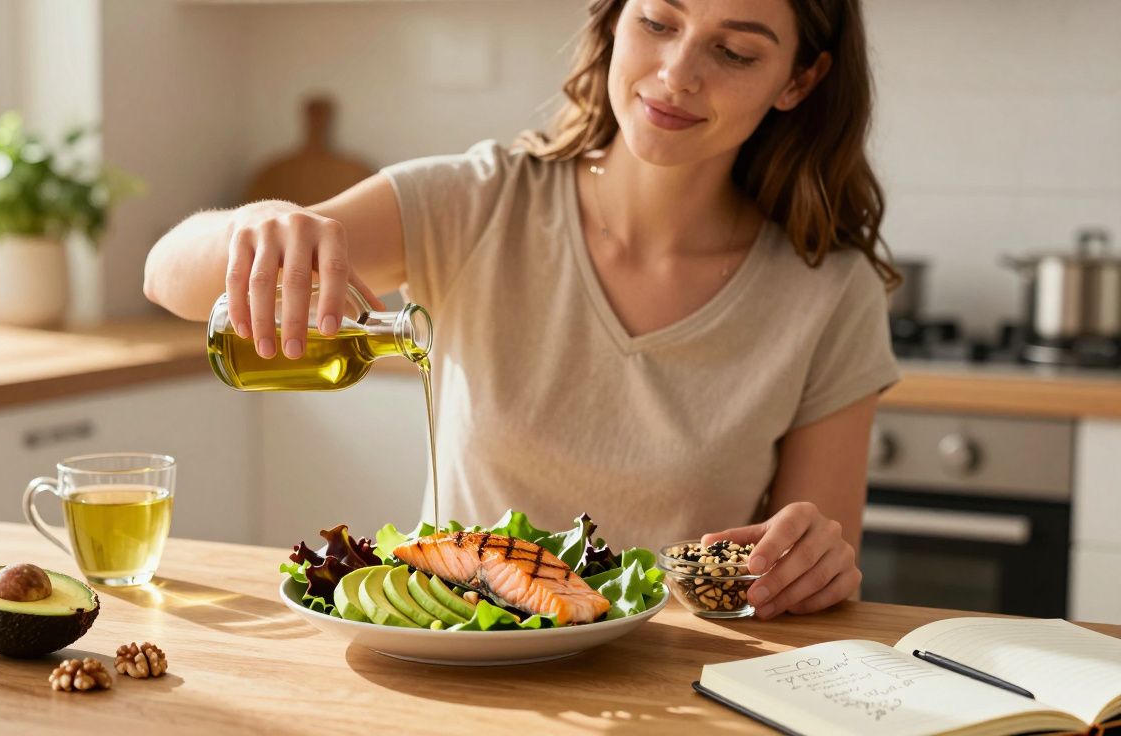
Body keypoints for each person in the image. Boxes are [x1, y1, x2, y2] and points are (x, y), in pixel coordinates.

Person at [143, 0, 898, 620]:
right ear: (613, 22)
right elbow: (168, 275)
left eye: (734, 53)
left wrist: (816, 566)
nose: (677, 75)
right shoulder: (476, 204)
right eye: (659, 23)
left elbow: (815, 585)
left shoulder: (828, 292)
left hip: (675, 689)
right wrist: (264, 223)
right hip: (464, 670)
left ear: (798, 80)